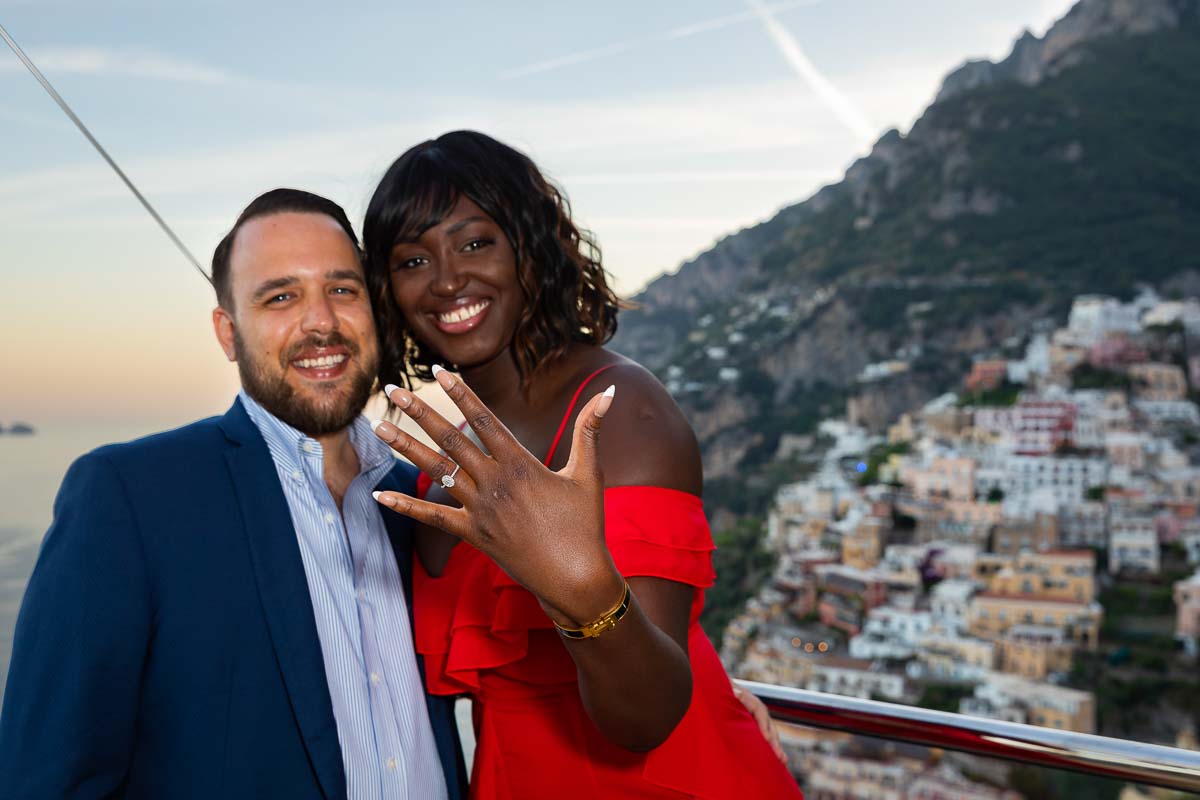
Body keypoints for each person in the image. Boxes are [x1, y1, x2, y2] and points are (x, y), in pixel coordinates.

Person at [362, 131, 802, 799]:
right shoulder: (445, 454)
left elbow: (647, 715)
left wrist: (581, 589)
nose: (448, 278)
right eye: (413, 259)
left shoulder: (621, 417)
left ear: (529, 246)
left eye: (475, 242)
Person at [0, 189, 467, 800]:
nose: (320, 321)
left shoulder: (424, 503)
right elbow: (47, 779)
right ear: (228, 332)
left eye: (342, 289)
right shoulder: (128, 499)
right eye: (280, 296)